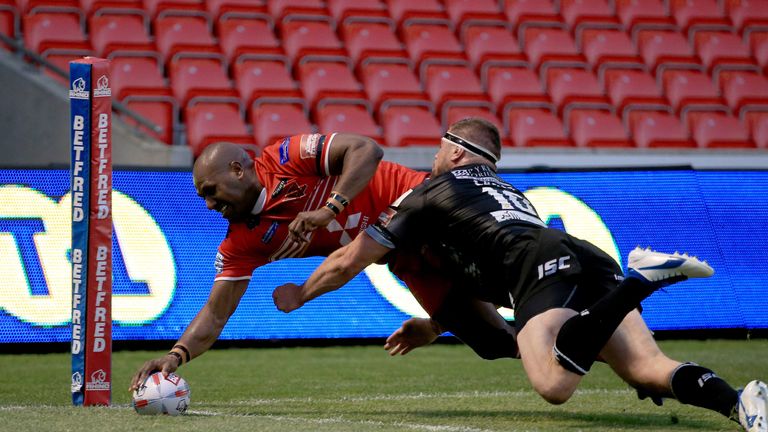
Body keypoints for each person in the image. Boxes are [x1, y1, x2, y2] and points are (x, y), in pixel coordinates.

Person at [272, 118, 767, 432]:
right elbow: (471, 271)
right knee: (645, 368)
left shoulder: (427, 192)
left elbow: (350, 258)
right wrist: (432, 325)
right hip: (583, 254)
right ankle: (741, 404)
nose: (435, 155)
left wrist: (301, 293)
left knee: (552, 384)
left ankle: (640, 281)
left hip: (534, 265)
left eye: (443, 146)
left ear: (459, 152)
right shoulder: (509, 190)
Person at [128, 133, 430, 391]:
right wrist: (174, 356)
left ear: (237, 170)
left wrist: (330, 208)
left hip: (418, 199)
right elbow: (215, 314)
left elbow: (366, 149)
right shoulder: (239, 245)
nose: (208, 205)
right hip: (404, 253)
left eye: (211, 191)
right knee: (477, 334)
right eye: (202, 198)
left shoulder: (286, 158)